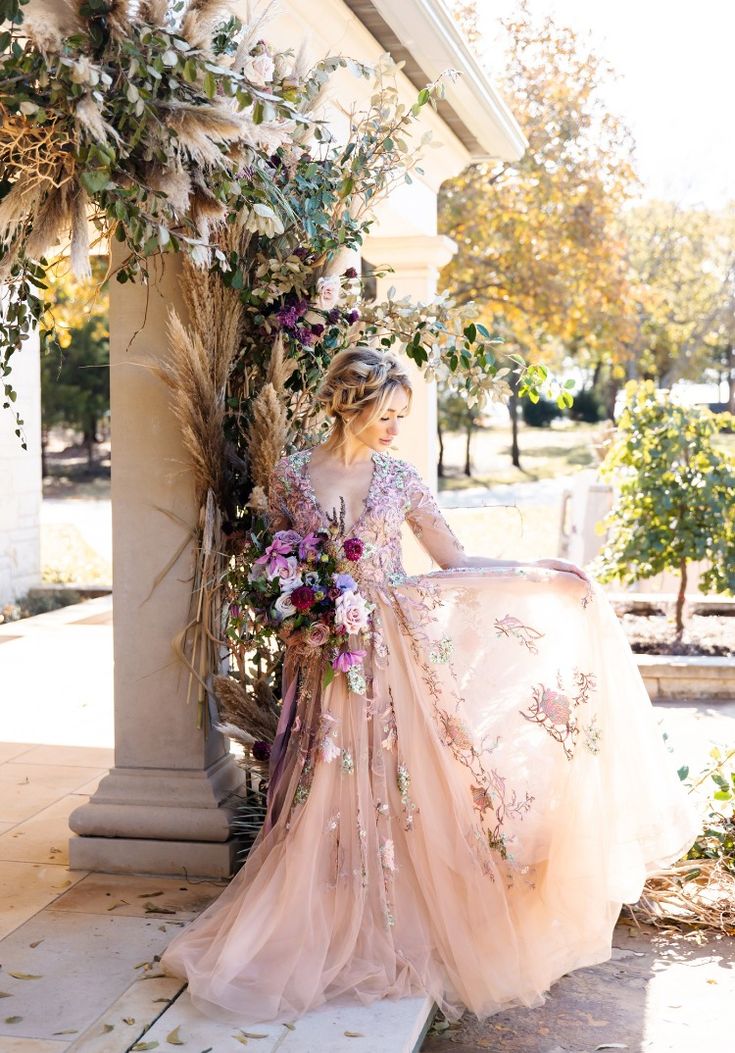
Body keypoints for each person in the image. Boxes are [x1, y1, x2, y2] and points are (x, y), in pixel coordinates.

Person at [159, 346, 700, 1026]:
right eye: (385, 415)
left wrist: (536, 571)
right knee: (314, 783)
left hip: (388, 655)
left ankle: (383, 916)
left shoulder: (400, 479)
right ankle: (317, 909)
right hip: (319, 653)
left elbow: (455, 559)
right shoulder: (292, 473)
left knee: (395, 785)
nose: (393, 428)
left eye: (400, 416)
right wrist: (292, 613)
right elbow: (275, 560)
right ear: (348, 407)